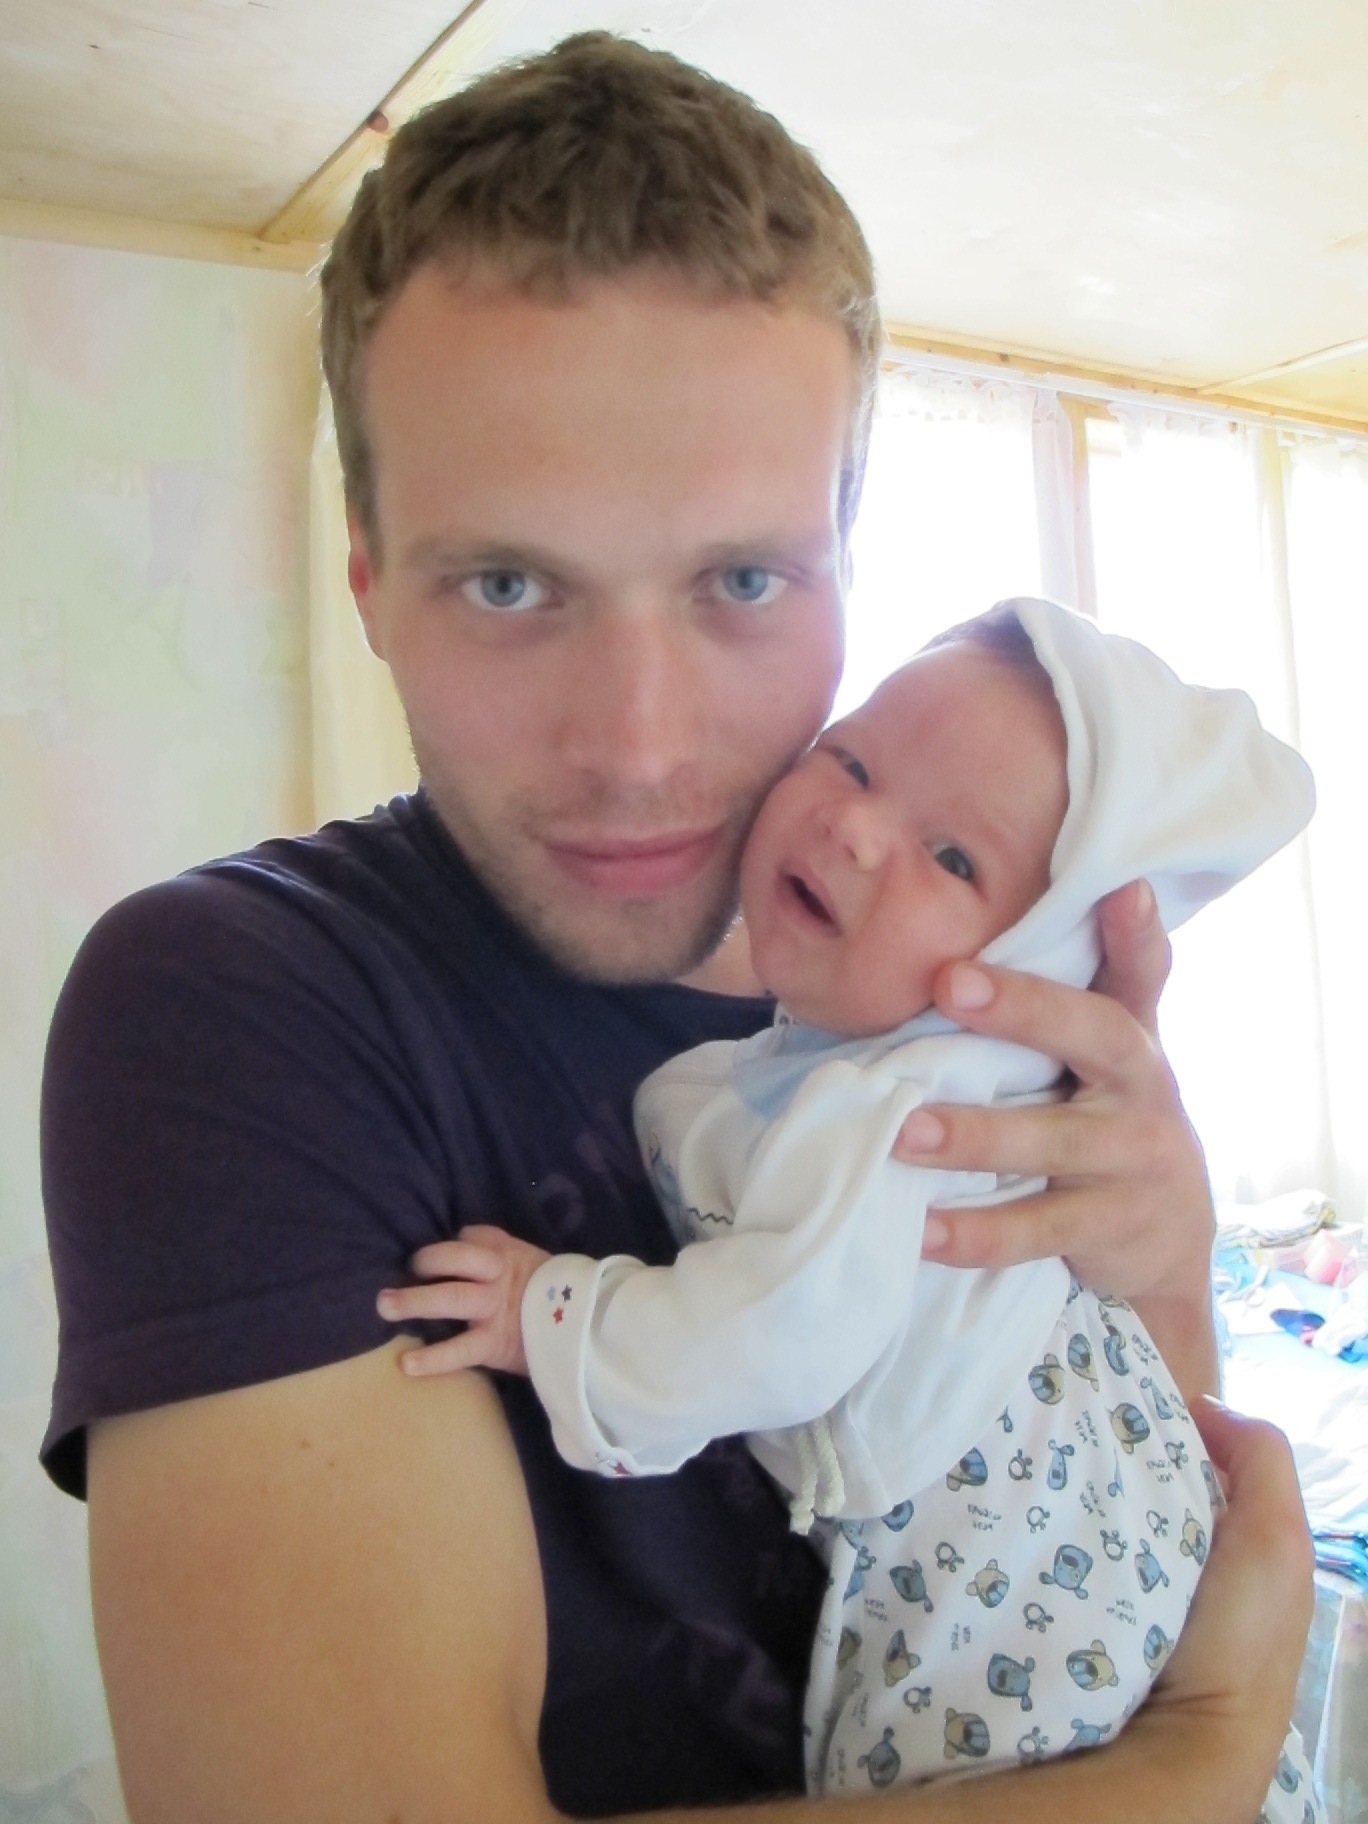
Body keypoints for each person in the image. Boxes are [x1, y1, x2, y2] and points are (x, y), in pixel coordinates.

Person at [39, 32, 1313, 1824]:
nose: (638, 750)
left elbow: (1141, 1508)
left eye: (742, 580)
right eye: (508, 583)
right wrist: (1185, 1774)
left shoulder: (991, 1016)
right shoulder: (241, 1010)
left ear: (848, 559)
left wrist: (1167, 1265)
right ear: (369, 578)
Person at [376, 598, 1319, 1813]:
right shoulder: (872, 1070)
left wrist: (551, 1315)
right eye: (853, 760)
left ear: (1029, 965)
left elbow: (767, 1335)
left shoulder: (903, 1117)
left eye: (955, 859)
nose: (860, 827)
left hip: (1007, 1595)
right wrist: (1207, 1750)